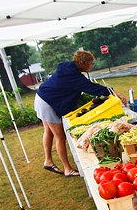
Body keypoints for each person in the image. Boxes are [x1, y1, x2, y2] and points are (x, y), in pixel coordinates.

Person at [35, 49, 124, 177]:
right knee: (60, 136)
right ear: (83, 63)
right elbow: (91, 88)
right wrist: (114, 92)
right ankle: (67, 169)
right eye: (90, 63)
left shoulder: (68, 68)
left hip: (41, 97)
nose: (91, 66)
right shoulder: (73, 76)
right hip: (48, 103)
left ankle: (48, 161)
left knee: (48, 132)